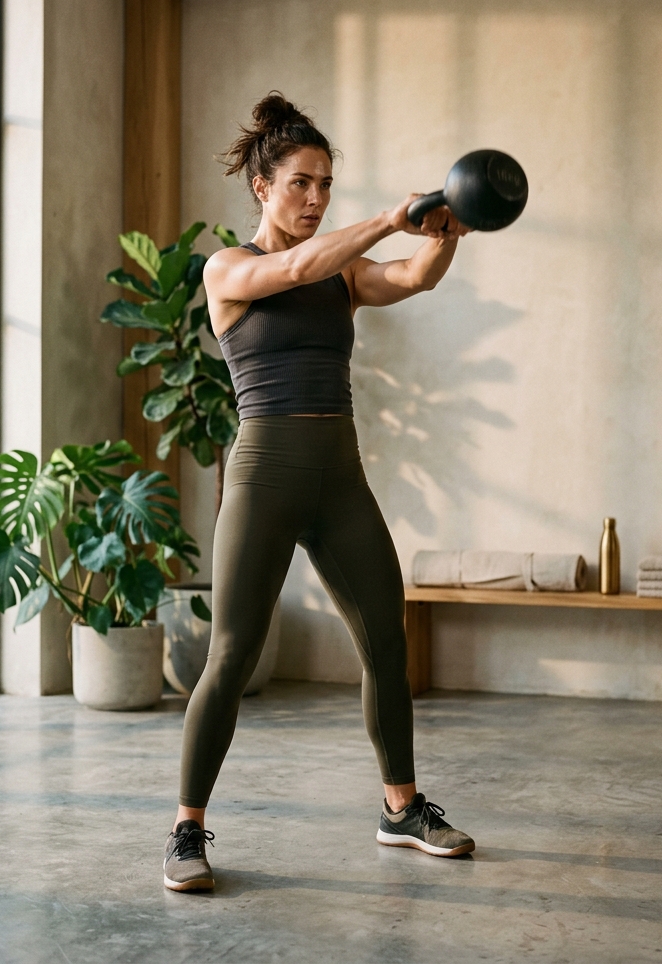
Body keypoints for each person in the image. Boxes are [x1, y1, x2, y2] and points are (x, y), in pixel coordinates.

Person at [163, 93, 475, 893]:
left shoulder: (344, 275)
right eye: (302, 183)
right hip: (265, 470)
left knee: (386, 639)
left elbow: (410, 278)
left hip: (339, 472)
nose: (315, 198)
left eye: (326, 185)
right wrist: (385, 215)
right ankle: (187, 830)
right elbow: (295, 268)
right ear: (263, 187)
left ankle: (400, 809)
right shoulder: (229, 267)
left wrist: (444, 238)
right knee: (231, 653)